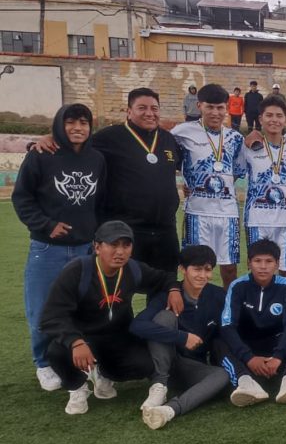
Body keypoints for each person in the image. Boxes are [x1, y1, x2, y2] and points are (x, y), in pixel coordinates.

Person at [39, 221, 182, 415]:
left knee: (144, 365)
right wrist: (75, 342)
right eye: (113, 245)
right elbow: (52, 315)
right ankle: (77, 387)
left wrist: (173, 289)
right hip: (83, 337)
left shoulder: (133, 269)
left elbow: (164, 278)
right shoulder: (77, 271)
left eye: (126, 245)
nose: (120, 252)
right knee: (57, 352)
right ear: (97, 247)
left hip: (116, 337)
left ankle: (102, 372)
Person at [32, 88, 180, 272]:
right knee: (123, 284)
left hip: (165, 230)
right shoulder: (109, 137)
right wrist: (48, 138)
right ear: (129, 111)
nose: (149, 113)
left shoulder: (168, 139)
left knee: (166, 283)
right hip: (125, 230)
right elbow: (75, 142)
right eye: (142, 108)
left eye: (154, 108)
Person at [14, 104, 105, 391]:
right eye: (70, 122)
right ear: (59, 125)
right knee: (42, 307)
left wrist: (97, 235)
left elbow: (101, 201)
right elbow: (22, 198)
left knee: (84, 308)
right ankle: (43, 363)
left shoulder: (96, 159)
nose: (78, 128)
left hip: (85, 249)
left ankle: (75, 359)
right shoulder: (42, 155)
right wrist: (46, 224)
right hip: (48, 248)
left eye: (83, 123)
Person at [130, 245, 230, 429]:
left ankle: (169, 410)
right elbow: (137, 325)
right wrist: (182, 337)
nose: (203, 275)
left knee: (222, 376)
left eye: (207, 270)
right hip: (164, 360)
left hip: (191, 366)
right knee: (165, 317)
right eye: (197, 269)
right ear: (183, 269)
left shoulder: (218, 295)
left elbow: (230, 331)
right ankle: (159, 385)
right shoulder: (167, 296)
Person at [215, 239, 286, 407]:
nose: (263, 266)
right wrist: (249, 358)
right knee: (218, 341)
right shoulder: (237, 286)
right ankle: (245, 382)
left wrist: (278, 356)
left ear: (277, 264)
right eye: (258, 261)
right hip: (247, 346)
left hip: (276, 345)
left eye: (269, 261)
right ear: (249, 263)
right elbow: (227, 326)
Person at [173, 84, 245, 286]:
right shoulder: (182, 132)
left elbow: (237, 171)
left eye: (220, 108)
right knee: (195, 266)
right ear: (199, 106)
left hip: (228, 213)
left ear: (226, 108)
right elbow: (168, 159)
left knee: (229, 268)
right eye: (210, 107)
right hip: (197, 212)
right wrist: (184, 183)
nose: (215, 113)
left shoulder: (235, 138)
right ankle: (194, 304)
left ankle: (228, 305)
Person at [237, 96, 286, 277]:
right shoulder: (248, 147)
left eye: (279, 116)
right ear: (260, 119)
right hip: (257, 219)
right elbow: (233, 174)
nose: (274, 120)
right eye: (269, 115)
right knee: (258, 270)